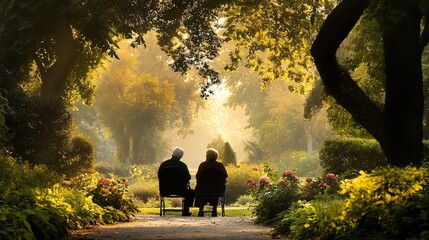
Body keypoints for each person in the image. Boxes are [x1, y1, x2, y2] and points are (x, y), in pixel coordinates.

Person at [158, 147, 195, 216]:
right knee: (191, 192)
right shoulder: (182, 165)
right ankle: (186, 211)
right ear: (181, 156)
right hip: (180, 189)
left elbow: (159, 176)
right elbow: (188, 177)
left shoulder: (164, 164)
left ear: (173, 154)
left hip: (165, 189)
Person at [195, 148, 228, 217]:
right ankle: (214, 210)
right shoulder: (220, 165)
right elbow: (225, 176)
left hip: (203, 190)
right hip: (217, 190)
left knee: (202, 189)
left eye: (206, 155)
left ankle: (201, 209)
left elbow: (197, 176)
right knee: (214, 189)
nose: (205, 156)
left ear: (208, 156)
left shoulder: (203, 165)